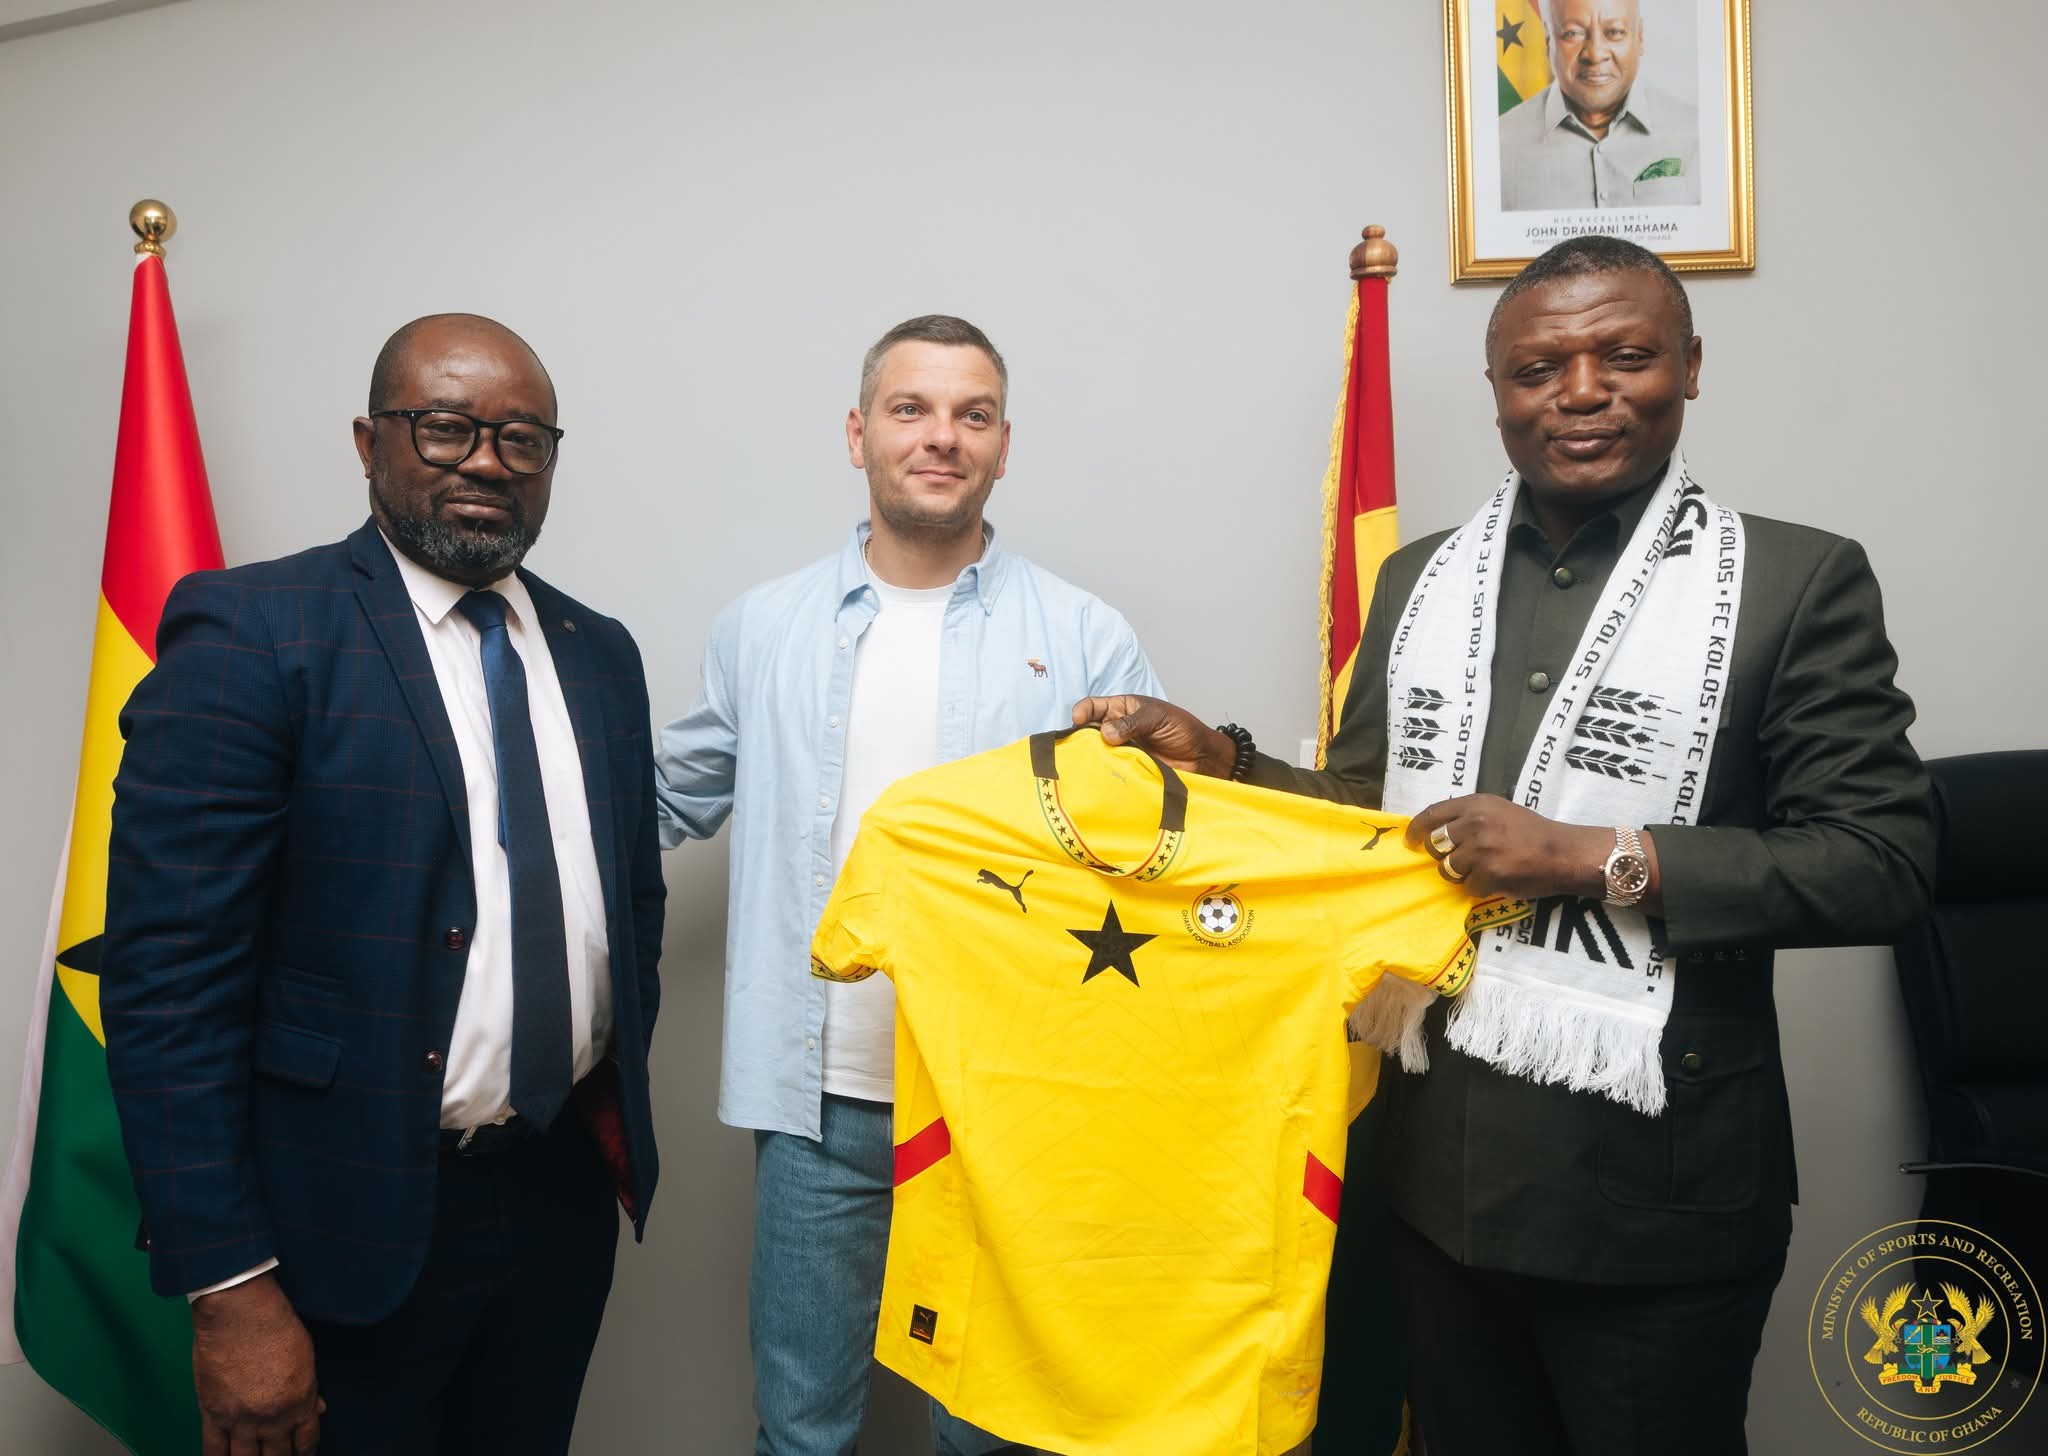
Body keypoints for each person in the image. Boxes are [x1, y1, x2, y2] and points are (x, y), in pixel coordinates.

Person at [1075, 236, 1934, 1454]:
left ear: (1689, 367)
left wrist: (1591, 856)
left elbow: (1881, 862)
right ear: (1497, 392)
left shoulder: (1793, 582)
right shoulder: (1420, 579)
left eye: (1623, 356)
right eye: (1537, 369)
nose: (1579, 392)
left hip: (1658, 1193)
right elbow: (1369, 813)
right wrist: (1222, 758)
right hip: (1436, 1173)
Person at [102, 314, 665, 1456]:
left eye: (522, 439)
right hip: (336, 1221)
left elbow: (627, 908)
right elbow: (168, 985)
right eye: (446, 428)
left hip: (554, 1202)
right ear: (371, 443)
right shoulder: (256, 632)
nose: (487, 462)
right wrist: (229, 1284)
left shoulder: (599, 651)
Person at [655, 314, 1160, 1456]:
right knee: (800, 1430)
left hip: (1010, 1099)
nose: (941, 436)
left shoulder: (1085, 634)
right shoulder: (763, 628)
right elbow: (659, 801)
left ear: (1003, 445)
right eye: (910, 409)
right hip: (816, 1104)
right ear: (858, 434)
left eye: (972, 414)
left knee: (992, 1435)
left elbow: (1159, 852)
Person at [1499, 0, 1701, 210]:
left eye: (1614, 32)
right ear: (1549, 42)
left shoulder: (1697, 133)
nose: (1595, 54)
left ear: (1640, 37)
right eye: (1573, 33)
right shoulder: (1499, 146)